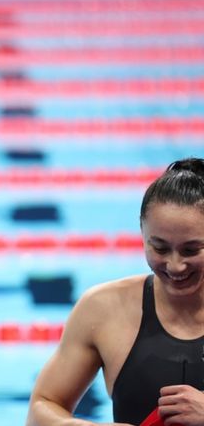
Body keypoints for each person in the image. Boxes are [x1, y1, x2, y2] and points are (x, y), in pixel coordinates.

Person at [27, 158, 204, 426]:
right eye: (159, 248)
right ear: (142, 235)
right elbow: (42, 407)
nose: (175, 265)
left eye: (191, 250)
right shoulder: (104, 309)